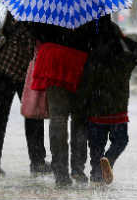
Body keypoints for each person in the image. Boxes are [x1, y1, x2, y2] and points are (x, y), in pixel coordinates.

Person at [0, 13, 51, 177]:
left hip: (6, 67)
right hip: (6, 67)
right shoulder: (31, 11)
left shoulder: (15, 3)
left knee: (8, 114)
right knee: (8, 114)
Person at [27, 21, 96, 187]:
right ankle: (78, 169)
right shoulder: (91, 0)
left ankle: (61, 172)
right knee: (80, 119)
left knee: (58, 117)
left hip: (53, 58)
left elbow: (35, 30)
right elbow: (98, 35)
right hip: (80, 60)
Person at [77, 17, 137, 184]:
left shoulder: (92, 55)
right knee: (121, 140)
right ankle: (109, 159)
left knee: (96, 145)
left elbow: (86, 83)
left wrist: (81, 105)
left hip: (96, 107)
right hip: (118, 107)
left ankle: (96, 173)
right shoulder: (124, 58)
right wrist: (122, 38)